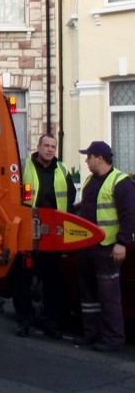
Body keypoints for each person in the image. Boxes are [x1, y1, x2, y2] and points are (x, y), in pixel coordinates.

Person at [74, 141, 135, 352]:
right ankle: (92, 334)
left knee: (109, 296)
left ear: (100, 158)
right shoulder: (91, 181)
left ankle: (114, 338)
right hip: (88, 247)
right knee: (89, 293)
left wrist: (121, 243)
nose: (86, 160)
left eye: (88, 156)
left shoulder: (121, 182)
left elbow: (129, 216)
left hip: (107, 248)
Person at [13, 133, 76, 338]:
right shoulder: (24, 167)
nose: (49, 149)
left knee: (52, 281)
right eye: (46, 145)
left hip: (52, 234)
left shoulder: (63, 169)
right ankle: (24, 321)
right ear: (38, 147)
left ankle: (50, 322)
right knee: (22, 280)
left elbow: (70, 198)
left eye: (53, 146)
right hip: (28, 231)